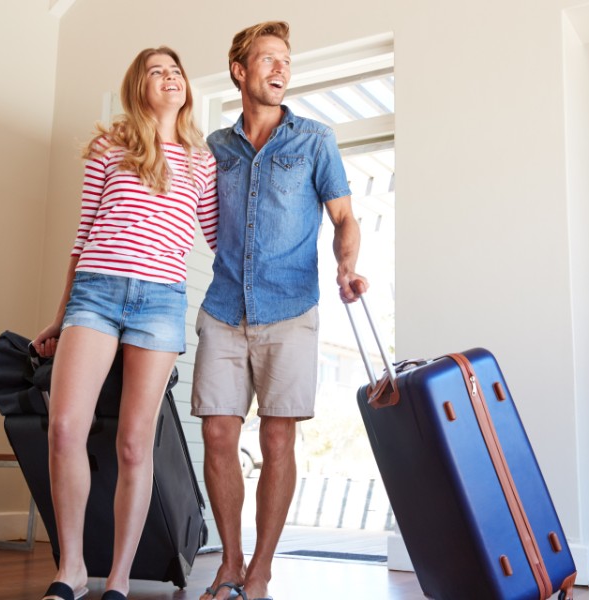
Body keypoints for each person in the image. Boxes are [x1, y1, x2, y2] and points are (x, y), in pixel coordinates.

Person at [31, 46, 218, 600]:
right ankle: (72, 569)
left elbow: (219, 239)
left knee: (135, 444)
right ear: (139, 86)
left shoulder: (201, 161)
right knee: (65, 427)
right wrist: (61, 319)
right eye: (157, 71)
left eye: (177, 71)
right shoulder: (110, 146)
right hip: (97, 291)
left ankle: (117, 580)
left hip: (161, 303)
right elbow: (82, 234)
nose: (170, 78)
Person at [192, 21, 368, 600]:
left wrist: (346, 267)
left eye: (286, 61)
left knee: (277, 440)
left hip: (290, 309)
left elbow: (344, 218)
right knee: (218, 434)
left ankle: (261, 570)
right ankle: (230, 563)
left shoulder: (314, 140)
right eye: (268, 59)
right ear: (240, 71)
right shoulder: (215, 148)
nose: (281, 69)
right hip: (223, 308)